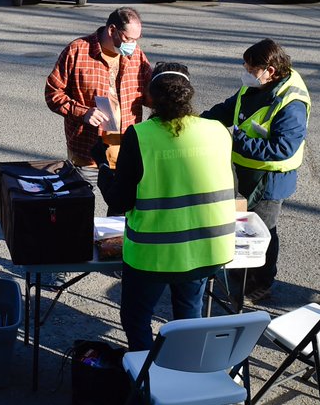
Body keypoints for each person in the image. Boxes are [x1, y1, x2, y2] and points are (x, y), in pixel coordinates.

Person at [95, 62, 237, 351]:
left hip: (153, 253)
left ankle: (145, 378)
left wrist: (102, 165)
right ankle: (183, 371)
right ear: (189, 94)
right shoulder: (217, 131)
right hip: (207, 248)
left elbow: (119, 201)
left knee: (136, 315)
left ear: (150, 97)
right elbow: (229, 185)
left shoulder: (141, 135)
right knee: (188, 314)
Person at [202, 38, 310, 304]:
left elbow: (283, 148)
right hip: (245, 170)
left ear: (269, 70)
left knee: (262, 233)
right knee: (240, 226)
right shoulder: (256, 85)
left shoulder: (290, 103)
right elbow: (229, 109)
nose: (245, 73)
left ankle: (260, 285)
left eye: (250, 69)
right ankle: (239, 277)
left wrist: (236, 140)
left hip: (270, 178)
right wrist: (196, 122)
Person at [45, 6, 152, 186]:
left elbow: (150, 94)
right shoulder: (77, 51)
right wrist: (83, 113)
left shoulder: (136, 55)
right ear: (112, 31)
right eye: (128, 38)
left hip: (126, 155)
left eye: (136, 39)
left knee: (120, 213)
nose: (132, 45)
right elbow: (53, 93)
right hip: (87, 155)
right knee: (81, 210)